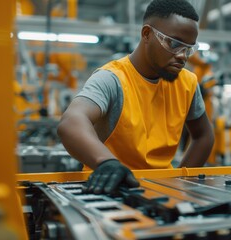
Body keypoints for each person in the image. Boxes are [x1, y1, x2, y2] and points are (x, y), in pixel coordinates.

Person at [57, 0, 214, 194]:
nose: (182, 56)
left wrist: (182, 181)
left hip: (162, 190)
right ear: (146, 34)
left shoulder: (188, 83)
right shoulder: (112, 79)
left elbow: (204, 135)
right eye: (174, 44)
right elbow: (72, 121)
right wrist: (106, 163)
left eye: (189, 48)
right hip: (111, 188)